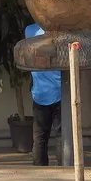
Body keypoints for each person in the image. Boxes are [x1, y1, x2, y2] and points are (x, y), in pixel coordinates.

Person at [24, 24, 64, 166]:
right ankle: (65, 166)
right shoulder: (60, 31)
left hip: (40, 93)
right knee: (62, 136)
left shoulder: (30, 31)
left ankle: (39, 170)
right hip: (60, 92)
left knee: (40, 136)